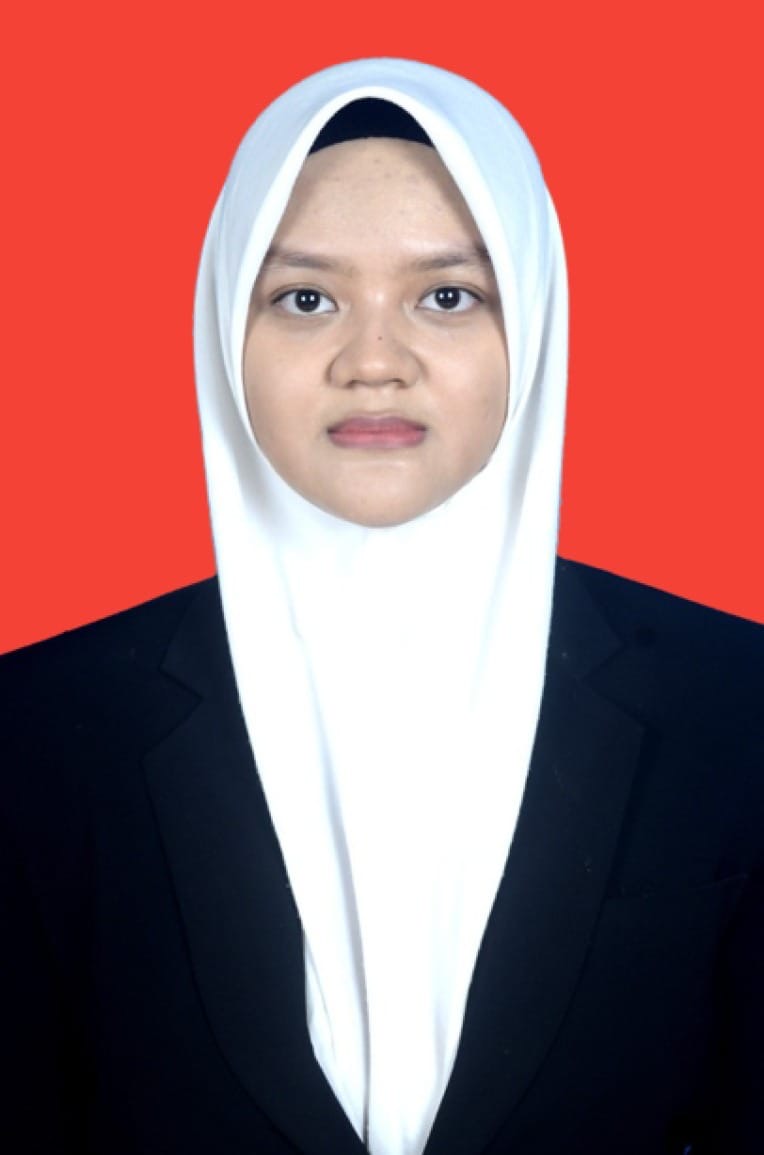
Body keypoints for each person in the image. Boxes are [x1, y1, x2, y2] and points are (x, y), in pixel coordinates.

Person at [1, 58, 762, 1155]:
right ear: (224, 322)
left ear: (533, 316)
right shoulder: (35, 730)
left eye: (446, 297)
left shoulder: (734, 705)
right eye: (305, 298)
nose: (372, 363)